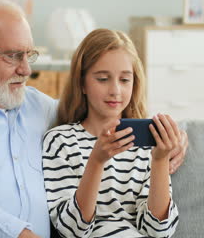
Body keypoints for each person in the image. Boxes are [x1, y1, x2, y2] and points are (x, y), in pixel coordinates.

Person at [0, 0, 187, 238]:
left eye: (29, 55)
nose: (26, 70)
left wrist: (174, 136)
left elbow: (101, 111)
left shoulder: (36, 106)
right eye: (13, 56)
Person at [43, 29, 187, 237]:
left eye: (125, 80)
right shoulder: (60, 141)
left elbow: (159, 231)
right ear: (82, 82)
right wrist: (96, 160)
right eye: (102, 79)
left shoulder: (148, 144)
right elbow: (72, 230)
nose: (115, 90)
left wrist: (159, 161)